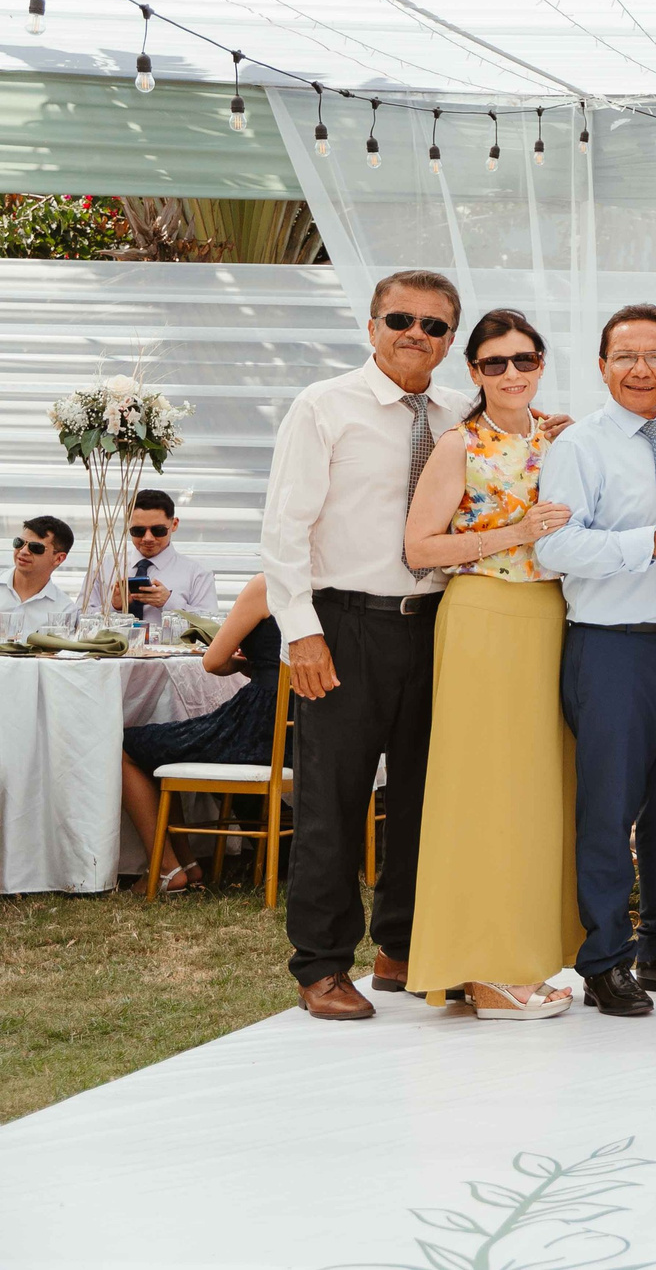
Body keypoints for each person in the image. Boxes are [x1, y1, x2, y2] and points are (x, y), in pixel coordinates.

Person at [262, 269, 473, 1020]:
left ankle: (402, 947)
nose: (416, 334)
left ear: (451, 339)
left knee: (424, 797)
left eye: (434, 325)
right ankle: (321, 965)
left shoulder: (463, 412)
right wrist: (302, 633)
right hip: (344, 624)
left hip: (438, 622)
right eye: (401, 319)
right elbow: (284, 529)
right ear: (373, 325)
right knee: (335, 799)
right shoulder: (324, 406)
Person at [531, 304, 656, 1018]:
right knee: (609, 810)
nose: (642, 369)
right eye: (626, 356)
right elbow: (554, 547)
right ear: (603, 366)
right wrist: (651, 542)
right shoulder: (580, 446)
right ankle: (605, 958)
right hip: (612, 646)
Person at [399, 310, 580, 1019]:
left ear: (541, 365)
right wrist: (515, 531)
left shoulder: (559, 437)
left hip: (549, 619)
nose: (511, 373)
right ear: (474, 371)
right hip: (484, 614)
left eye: (524, 360)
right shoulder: (460, 444)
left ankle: (524, 956)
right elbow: (419, 548)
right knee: (483, 791)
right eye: (495, 362)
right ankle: (482, 967)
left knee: (536, 792)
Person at [121, 573, 281, 895]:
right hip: (310, 731)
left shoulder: (267, 585)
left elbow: (213, 662)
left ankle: (167, 868)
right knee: (162, 746)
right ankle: (187, 863)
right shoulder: (341, 588)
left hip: (260, 726)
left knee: (131, 747)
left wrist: (248, 664)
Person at [91, 489, 216, 630]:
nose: (148, 538)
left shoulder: (197, 573)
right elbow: (79, 618)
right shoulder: (105, 566)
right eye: (138, 531)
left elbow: (211, 627)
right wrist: (114, 606)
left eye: (158, 530)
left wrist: (169, 602)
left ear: (174, 524)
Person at [3, 516, 76, 639]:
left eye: (36, 547)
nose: (23, 551)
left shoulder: (64, 609)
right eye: (19, 543)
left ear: (58, 558)